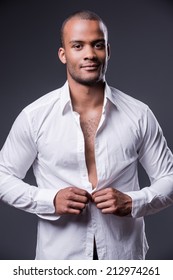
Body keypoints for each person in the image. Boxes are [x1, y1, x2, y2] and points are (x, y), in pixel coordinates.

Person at [0, 10, 173, 260]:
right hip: (59, 261)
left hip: (123, 259)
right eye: (78, 46)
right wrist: (50, 200)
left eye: (97, 45)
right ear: (63, 54)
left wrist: (134, 202)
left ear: (108, 51)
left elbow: (168, 177)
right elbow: (3, 176)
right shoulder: (35, 116)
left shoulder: (139, 114)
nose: (90, 54)